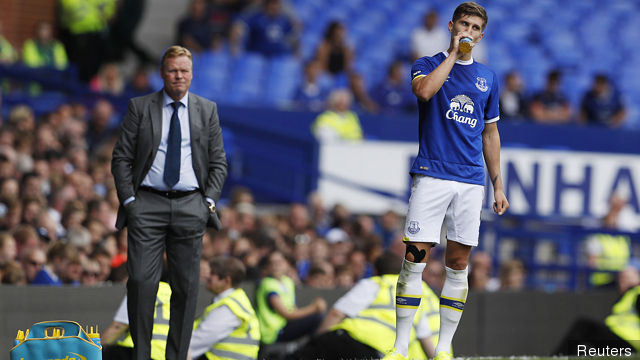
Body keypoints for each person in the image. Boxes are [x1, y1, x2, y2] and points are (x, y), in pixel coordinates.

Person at [383, 3, 509, 360]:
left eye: (475, 27)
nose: (468, 30)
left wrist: (498, 184)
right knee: (414, 260)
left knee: (458, 264)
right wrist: (454, 53)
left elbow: (491, 133)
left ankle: (442, 348)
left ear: (482, 34)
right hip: (432, 174)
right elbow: (424, 93)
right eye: (463, 24)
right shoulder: (427, 63)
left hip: (471, 182)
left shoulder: (488, 77)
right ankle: (401, 347)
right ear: (452, 26)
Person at [111, 45, 228, 360]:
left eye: (184, 71)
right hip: (146, 205)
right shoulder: (140, 106)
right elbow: (121, 158)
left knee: (186, 288)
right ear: (163, 73)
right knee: (139, 282)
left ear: (192, 74)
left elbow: (218, 163)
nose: (179, 76)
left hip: (192, 206)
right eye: (173, 70)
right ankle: (143, 355)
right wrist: (131, 201)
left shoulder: (207, 109)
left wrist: (208, 203)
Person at [296, 252, 441, 359]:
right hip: (378, 353)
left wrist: (318, 341)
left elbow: (337, 314)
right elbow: (425, 338)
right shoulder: (415, 296)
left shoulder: (375, 283)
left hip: (350, 339)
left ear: (376, 271)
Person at [553, 266, 640, 355]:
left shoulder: (637, 293)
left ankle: (557, 357)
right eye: (621, 278)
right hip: (619, 345)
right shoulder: (626, 297)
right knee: (584, 351)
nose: (623, 281)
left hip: (629, 345)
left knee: (584, 327)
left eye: (627, 278)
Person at [188, 256, 260, 360]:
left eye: (212, 273)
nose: (207, 276)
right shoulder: (234, 301)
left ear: (227, 280)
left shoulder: (228, 309)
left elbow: (198, 341)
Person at [256, 251, 326, 347]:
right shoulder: (267, 283)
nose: (275, 266)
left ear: (287, 264)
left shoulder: (287, 281)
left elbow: (293, 309)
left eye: (279, 262)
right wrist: (314, 308)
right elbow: (286, 314)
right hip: (274, 332)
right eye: (272, 263)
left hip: (285, 326)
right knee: (317, 319)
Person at [102, 276, 172, 360]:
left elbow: (118, 326)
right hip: (165, 355)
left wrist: (94, 350)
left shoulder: (141, 290)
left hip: (136, 351)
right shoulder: (173, 293)